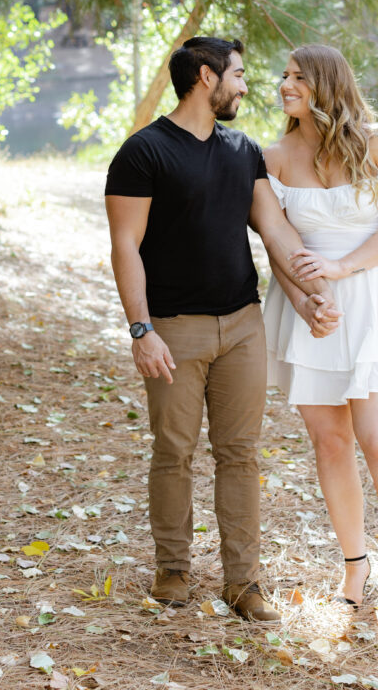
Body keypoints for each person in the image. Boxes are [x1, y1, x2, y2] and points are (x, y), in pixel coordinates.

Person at [104, 36, 340, 623]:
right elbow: (124, 247)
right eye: (238, 74)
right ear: (206, 77)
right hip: (173, 330)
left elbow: (277, 232)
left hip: (241, 326)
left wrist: (315, 294)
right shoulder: (142, 152)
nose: (246, 84)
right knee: (174, 452)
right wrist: (141, 329)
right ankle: (174, 571)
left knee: (240, 454)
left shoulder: (243, 152)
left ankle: (243, 583)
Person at [263, 44, 378, 618]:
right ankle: (354, 564)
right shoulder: (272, 157)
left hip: (371, 298)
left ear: (326, 83)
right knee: (330, 441)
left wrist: (342, 269)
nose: (284, 84)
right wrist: (307, 300)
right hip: (308, 308)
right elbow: (277, 246)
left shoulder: (374, 140)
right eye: (283, 75)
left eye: (298, 77)